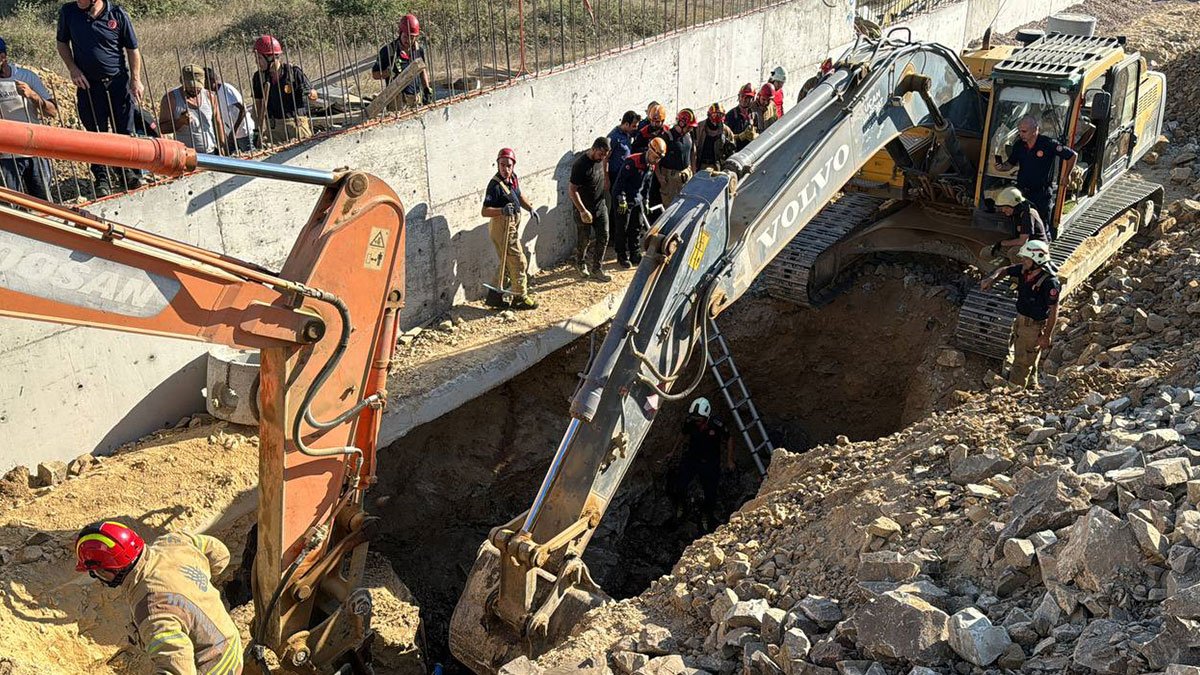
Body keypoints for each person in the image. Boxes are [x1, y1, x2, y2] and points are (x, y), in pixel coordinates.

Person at [74, 521, 243, 674]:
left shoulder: (152, 609)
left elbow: (178, 669)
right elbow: (220, 554)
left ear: (109, 570)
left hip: (218, 665)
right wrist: (198, 581)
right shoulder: (174, 541)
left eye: (96, 572)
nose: (96, 577)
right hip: (228, 637)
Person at [55, 0, 145, 196]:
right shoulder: (69, 12)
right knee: (95, 134)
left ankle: (126, 172)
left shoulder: (117, 14)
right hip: (89, 85)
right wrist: (73, 69)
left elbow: (132, 49)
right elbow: (62, 43)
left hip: (117, 82)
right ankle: (102, 178)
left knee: (124, 130)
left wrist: (136, 79)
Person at [979, 239, 1061, 389]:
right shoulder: (1025, 271)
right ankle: (1031, 385)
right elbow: (1005, 270)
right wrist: (992, 278)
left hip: (1033, 326)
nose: (1023, 260)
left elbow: (1054, 310)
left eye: (1026, 258)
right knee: (1026, 354)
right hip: (1021, 320)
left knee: (1022, 360)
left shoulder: (1049, 282)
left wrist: (1046, 335)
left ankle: (1013, 390)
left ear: (1037, 260)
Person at [993, 115, 1077, 236]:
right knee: (1023, 224)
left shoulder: (1048, 144)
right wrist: (1001, 167)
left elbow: (1072, 155)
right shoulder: (1019, 145)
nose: (1021, 134)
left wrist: (1066, 175)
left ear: (1035, 130)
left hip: (1041, 193)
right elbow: (1010, 164)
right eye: (1019, 131)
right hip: (1022, 192)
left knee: (1042, 225)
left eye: (1024, 131)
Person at [481, 147, 540, 310]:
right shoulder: (494, 186)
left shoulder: (513, 178)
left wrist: (530, 208)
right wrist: (502, 210)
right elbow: (484, 211)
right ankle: (520, 297)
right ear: (497, 164)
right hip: (502, 228)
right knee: (519, 261)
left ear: (513, 165)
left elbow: (518, 195)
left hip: (511, 225)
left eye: (509, 165)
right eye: (502, 165)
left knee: (508, 262)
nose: (505, 169)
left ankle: (494, 297)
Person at [0, 37, 58, 200]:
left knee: (43, 203)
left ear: (3, 57)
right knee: (10, 206)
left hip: (34, 152)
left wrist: (32, 95)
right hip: (6, 157)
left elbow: (53, 112)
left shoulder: (26, 76)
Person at [672, 397, 734, 529]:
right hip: (692, 459)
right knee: (680, 486)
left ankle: (706, 516)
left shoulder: (716, 424)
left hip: (710, 462)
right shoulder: (690, 422)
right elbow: (682, 434)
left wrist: (729, 460)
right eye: (695, 419)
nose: (696, 422)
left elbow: (729, 438)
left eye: (699, 419)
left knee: (710, 494)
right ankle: (681, 507)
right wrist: (673, 451)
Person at [251, 34, 317, 146]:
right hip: (274, 130)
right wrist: (257, 130)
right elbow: (258, 107)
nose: (257, 62)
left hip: (296, 127)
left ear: (271, 57)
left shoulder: (293, 73)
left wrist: (310, 93)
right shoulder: (259, 77)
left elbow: (314, 95)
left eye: (259, 58)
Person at [611, 136, 666, 268]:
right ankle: (622, 256)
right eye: (655, 157)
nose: (656, 160)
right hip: (624, 200)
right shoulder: (632, 162)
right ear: (650, 150)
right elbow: (619, 184)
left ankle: (635, 253)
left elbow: (647, 185)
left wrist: (646, 200)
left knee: (636, 227)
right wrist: (621, 199)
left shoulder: (651, 166)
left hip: (638, 199)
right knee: (622, 228)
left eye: (658, 159)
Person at [569, 137, 612, 281]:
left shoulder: (602, 159)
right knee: (584, 239)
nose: (602, 158)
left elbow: (605, 164)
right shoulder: (580, 165)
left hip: (600, 206)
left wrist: (606, 178)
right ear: (594, 149)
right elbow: (572, 190)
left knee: (604, 236)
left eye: (605, 155)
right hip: (584, 209)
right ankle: (580, 263)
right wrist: (582, 211)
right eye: (600, 154)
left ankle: (597, 268)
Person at [370, 13, 432, 110]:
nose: (408, 40)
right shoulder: (388, 51)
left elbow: (422, 70)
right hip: (397, 101)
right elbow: (375, 74)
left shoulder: (418, 50)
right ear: (400, 33)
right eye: (406, 36)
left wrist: (426, 89)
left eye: (412, 37)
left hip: (415, 99)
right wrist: (389, 72)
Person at [157, 64, 224, 154]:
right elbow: (163, 128)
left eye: (198, 88)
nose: (194, 90)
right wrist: (180, 121)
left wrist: (223, 146)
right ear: (183, 82)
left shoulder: (210, 97)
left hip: (210, 152)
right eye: (191, 87)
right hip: (185, 154)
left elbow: (218, 122)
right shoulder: (171, 99)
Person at [989, 186, 1048, 261]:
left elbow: (1022, 241)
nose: (1003, 210)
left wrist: (1002, 243)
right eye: (1002, 208)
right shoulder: (1016, 214)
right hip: (1027, 246)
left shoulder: (1028, 214)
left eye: (1006, 207)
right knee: (989, 251)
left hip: (1038, 248)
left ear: (1015, 205)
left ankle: (1021, 267)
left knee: (1013, 253)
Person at [205, 67, 254, 154]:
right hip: (231, 133)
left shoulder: (226, 89)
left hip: (243, 131)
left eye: (205, 84)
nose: (204, 87)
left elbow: (243, 110)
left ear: (212, 80)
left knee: (249, 155)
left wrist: (234, 131)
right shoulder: (214, 94)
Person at [657, 108, 697, 207]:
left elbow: (693, 152)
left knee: (686, 204)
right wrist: (660, 177)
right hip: (671, 178)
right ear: (681, 123)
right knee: (670, 206)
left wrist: (693, 170)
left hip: (686, 174)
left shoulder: (689, 135)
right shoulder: (666, 137)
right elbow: (655, 159)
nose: (691, 129)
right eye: (689, 126)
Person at [695, 103, 735, 172]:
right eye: (714, 115)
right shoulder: (699, 127)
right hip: (701, 165)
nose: (716, 117)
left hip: (717, 166)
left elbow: (732, 149)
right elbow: (692, 150)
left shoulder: (726, 130)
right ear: (709, 115)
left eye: (720, 115)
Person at [726, 84, 762, 151]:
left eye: (747, 97)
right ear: (739, 97)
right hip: (736, 153)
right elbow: (725, 139)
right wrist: (740, 136)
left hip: (750, 151)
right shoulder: (730, 116)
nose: (744, 99)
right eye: (742, 96)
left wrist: (756, 136)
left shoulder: (754, 115)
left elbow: (758, 131)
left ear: (752, 99)